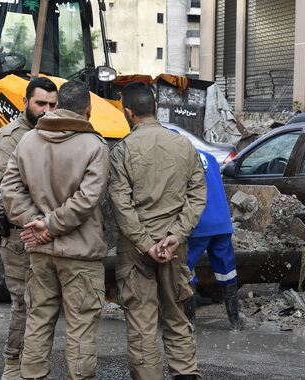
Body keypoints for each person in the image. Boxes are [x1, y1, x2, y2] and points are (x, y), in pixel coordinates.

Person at [0, 81, 110, 380]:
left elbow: (8, 190)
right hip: (80, 254)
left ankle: (31, 376)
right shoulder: (94, 146)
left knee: (37, 321)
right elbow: (88, 200)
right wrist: (48, 225)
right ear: (88, 109)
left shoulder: (28, 141)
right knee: (81, 328)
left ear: (58, 104)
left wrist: (37, 223)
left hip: (39, 252)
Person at [108, 82, 206, 380]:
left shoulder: (122, 150)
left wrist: (144, 243)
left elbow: (120, 204)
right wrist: (176, 235)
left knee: (142, 325)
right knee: (176, 316)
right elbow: (198, 194)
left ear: (128, 112)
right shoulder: (184, 145)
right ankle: (186, 374)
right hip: (175, 249)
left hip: (136, 251)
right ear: (154, 108)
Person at [0, 76, 57, 380]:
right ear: (25, 102)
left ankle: (32, 366)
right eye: (40, 103)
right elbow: (10, 190)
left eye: (52, 105)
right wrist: (40, 223)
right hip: (20, 236)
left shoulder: (50, 133)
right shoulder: (11, 137)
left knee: (42, 306)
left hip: (46, 233)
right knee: (24, 305)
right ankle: (12, 367)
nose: (46, 110)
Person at [184, 149, 243, 330]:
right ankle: (235, 320)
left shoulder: (178, 155)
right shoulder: (208, 156)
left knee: (185, 270)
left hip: (199, 223)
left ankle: (188, 321)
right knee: (227, 270)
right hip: (221, 222)